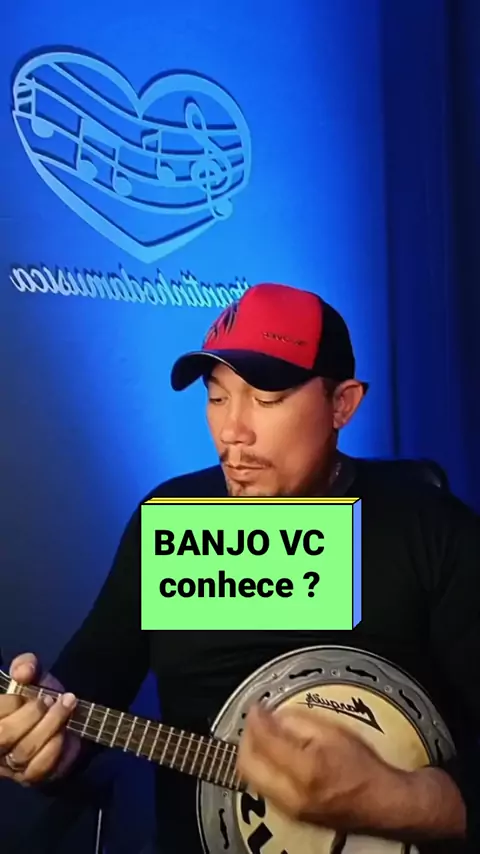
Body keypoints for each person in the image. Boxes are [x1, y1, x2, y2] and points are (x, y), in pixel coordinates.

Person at [1, 282, 479, 854]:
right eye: (217, 397)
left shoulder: (431, 529)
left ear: (342, 405)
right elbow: (85, 689)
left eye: (266, 399)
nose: (232, 432)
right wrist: (43, 738)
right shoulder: (172, 520)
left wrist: (398, 800)